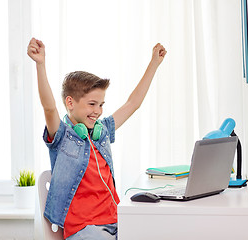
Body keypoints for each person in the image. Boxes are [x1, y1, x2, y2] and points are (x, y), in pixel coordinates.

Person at [27, 38, 166, 240]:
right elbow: (49, 107)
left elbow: (132, 103)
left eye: (101, 105)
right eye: (92, 104)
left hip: (117, 221)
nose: (98, 111)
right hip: (85, 229)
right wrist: (41, 64)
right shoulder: (63, 136)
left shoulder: (102, 132)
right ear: (70, 102)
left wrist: (154, 64)